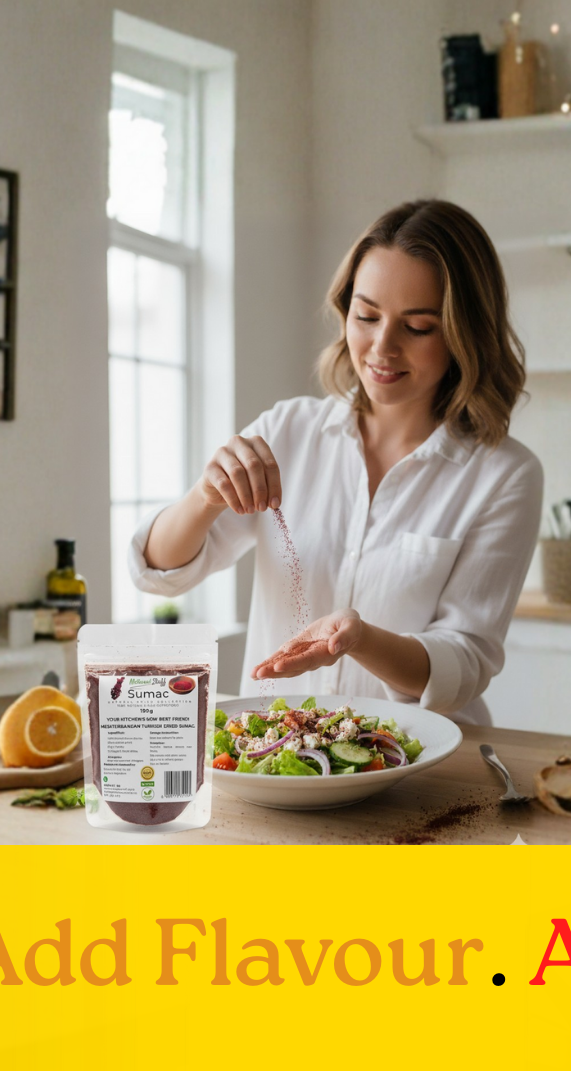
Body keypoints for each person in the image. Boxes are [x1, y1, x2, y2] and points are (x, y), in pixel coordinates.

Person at [128, 199, 542, 724]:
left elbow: (464, 663)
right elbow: (159, 573)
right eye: (366, 316)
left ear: (465, 334)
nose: (381, 347)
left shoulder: (503, 475)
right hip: (278, 758)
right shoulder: (288, 432)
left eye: (417, 328)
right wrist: (203, 499)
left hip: (417, 770)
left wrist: (360, 640)